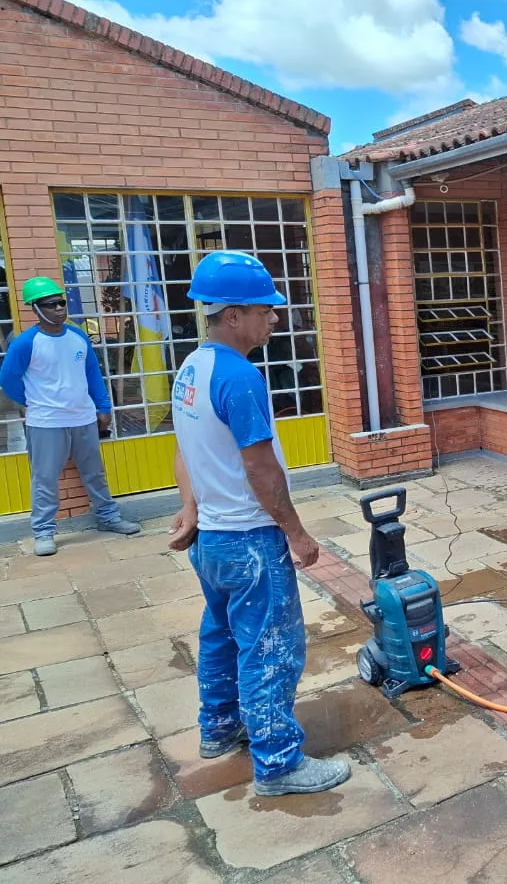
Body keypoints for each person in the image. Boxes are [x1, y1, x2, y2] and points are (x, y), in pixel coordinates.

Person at [166, 251, 349, 797]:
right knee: (271, 647)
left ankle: (219, 729)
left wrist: (192, 510)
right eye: (263, 310)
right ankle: (278, 763)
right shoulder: (240, 376)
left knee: (221, 635)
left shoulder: (190, 369)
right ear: (230, 315)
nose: (273, 318)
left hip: (212, 543)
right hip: (249, 541)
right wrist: (295, 531)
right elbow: (259, 464)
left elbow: (186, 450)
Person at [0, 275, 140, 556]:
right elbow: (8, 378)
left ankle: (108, 517)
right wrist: (31, 401)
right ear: (36, 309)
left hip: (83, 418)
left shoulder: (77, 337)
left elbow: (92, 375)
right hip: (46, 423)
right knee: (45, 478)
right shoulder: (26, 343)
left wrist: (103, 407)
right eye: (51, 304)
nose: (59, 308)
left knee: (95, 473)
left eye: (61, 302)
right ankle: (43, 532)